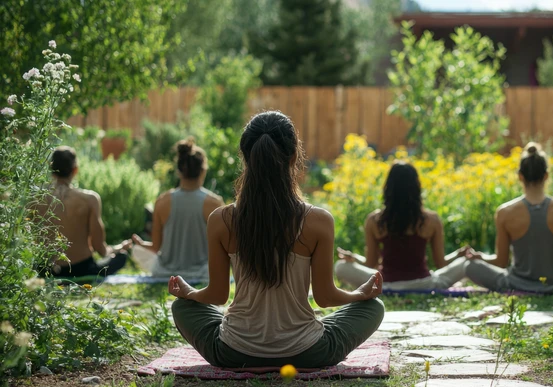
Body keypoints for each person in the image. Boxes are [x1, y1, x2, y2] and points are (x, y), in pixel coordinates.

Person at [168, 111, 384, 368]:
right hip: (308, 353)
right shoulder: (318, 220)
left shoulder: (221, 220)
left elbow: (217, 295)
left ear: (246, 158)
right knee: (374, 308)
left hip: (233, 352)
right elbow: (325, 298)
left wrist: (189, 293)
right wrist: (358, 294)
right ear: (294, 157)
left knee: (181, 308)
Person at [464, 142, 553, 293]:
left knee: (469, 266)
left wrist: (480, 257)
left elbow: (500, 262)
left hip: (515, 283)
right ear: (546, 176)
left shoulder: (505, 212)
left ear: (520, 176)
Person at [335, 162, 469, 291]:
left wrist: (354, 258)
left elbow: (370, 263)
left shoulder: (374, 220)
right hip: (425, 284)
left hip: (386, 285)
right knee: (466, 264)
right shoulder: (432, 220)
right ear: (416, 187)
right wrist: (459, 254)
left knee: (341, 267)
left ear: (388, 188)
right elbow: (441, 263)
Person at [131, 138, 224, 279]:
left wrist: (140, 244)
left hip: (165, 272)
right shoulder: (214, 203)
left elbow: (156, 247)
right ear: (203, 171)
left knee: (136, 251)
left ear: (179, 171)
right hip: (202, 272)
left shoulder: (162, 201)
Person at [41, 146, 131, 278]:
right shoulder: (90, 199)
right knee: (122, 257)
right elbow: (100, 248)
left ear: (51, 169)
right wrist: (118, 248)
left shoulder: (35, 200)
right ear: (75, 170)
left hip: (45, 271)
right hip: (81, 269)